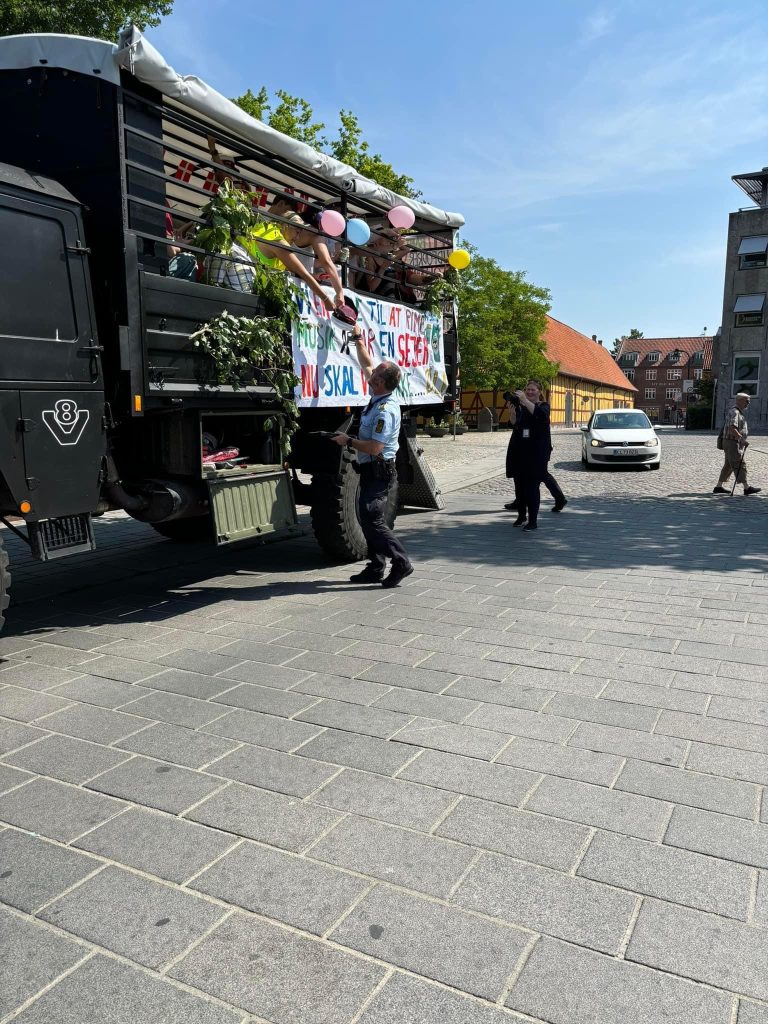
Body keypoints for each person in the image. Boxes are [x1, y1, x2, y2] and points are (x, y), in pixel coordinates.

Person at [333, 326, 412, 587]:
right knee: (366, 516)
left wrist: (349, 441)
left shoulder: (385, 411)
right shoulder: (379, 395)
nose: (371, 371)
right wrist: (357, 341)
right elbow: (366, 363)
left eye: (376, 372)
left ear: (380, 382)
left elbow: (376, 448)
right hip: (370, 470)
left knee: (371, 516)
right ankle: (376, 566)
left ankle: (401, 561)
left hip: (380, 470)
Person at [505, 379, 553, 531]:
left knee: (532, 488)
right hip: (519, 451)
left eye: (533, 390)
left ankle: (533, 521)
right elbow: (515, 424)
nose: (529, 392)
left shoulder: (543, 406)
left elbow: (540, 416)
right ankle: (521, 516)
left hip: (536, 454)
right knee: (519, 487)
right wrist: (512, 412)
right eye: (527, 390)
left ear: (539, 392)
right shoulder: (522, 407)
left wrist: (524, 400)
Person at [713, 392, 761, 495]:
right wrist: (741, 439)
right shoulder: (735, 412)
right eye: (747, 401)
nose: (748, 403)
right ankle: (746, 488)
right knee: (739, 463)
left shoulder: (737, 411)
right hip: (732, 442)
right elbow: (732, 427)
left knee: (728, 465)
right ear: (740, 400)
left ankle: (718, 486)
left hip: (731, 441)